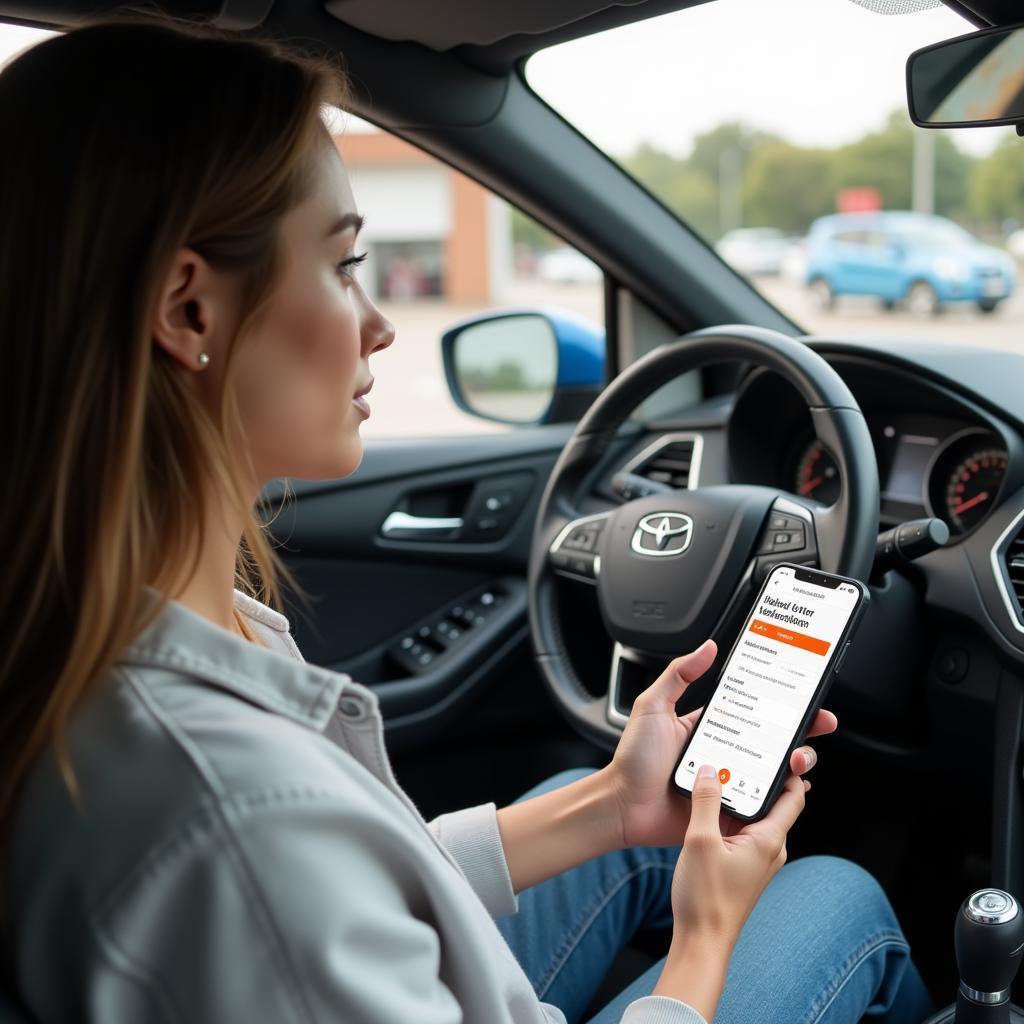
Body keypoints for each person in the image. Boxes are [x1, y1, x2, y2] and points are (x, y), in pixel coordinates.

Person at [0, 19, 933, 1024]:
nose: (380, 324)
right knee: (834, 900)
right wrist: (701, 947)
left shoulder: (98, 637)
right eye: (344, 263)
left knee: (610, 801)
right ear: (188, 312)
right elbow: (295, 886)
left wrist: (608, 805)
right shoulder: (238, 822)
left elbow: (359, 887)